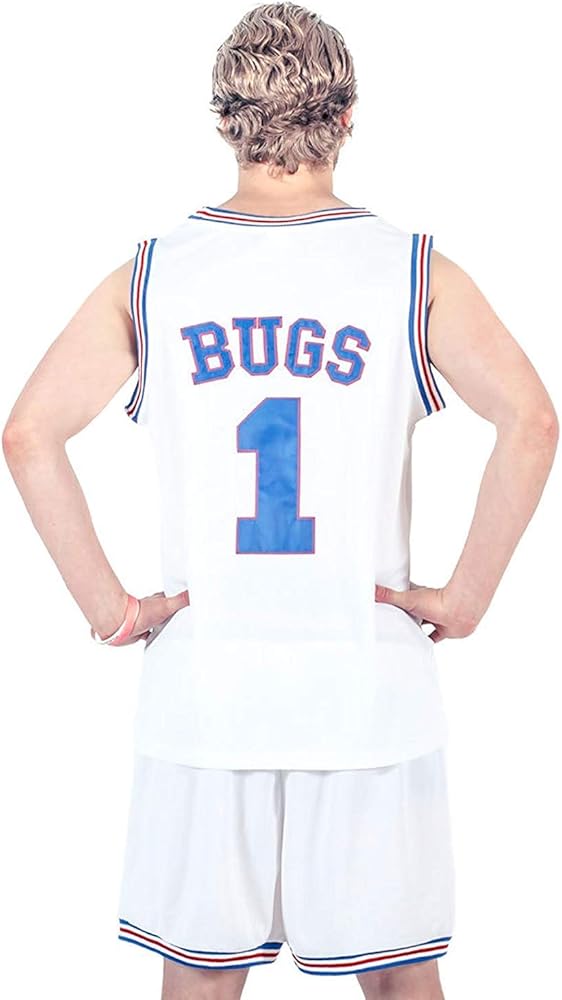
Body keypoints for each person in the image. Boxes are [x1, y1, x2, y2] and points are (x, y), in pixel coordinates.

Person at [2, 3, 558, 999]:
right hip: (367, 689)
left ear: (226, 122)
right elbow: (531, 421)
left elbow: (27, 434)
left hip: (204, 693)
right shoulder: (412, 270)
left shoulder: (154, 274)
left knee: (202, 979)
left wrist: (113, 611)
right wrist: (465, 597)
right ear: (346, 117)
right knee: (399, 981)